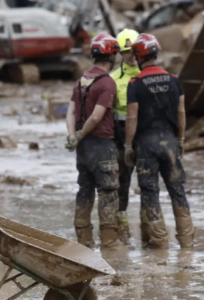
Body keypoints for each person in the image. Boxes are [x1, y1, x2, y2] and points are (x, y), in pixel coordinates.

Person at [124, 33, 195, 249]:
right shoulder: (174, 80)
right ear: (155, 53)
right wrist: (180, 139)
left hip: (146, 146)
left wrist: (128, 145)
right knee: (177, 190)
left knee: (150, 192)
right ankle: (186, 241)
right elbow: (181, 112)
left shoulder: (135, 83)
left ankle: (161, 242)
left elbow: (132, 117)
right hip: (171, 143)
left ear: (138, 57)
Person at [64, 33, 122, 249]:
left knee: (84, 190)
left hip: (83, 149)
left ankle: (84, 244)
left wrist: (73, 135)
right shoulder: (107, 82)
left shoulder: (82, 80)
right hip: (101, 145)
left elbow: (70, 111)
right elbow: (97, 116)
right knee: (107, 192)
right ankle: (109, 243)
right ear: (112, 56)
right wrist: (81, 134)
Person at [110, 28, 141, 245]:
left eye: (134, 51)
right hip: (121, 138)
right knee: (123, 183)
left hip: (145, 137)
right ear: (120, 53)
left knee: (149, 184)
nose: (131, 55)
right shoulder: (112, 79)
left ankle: (151, 233)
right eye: (127, 51)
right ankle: (122, 230)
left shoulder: (146, 76)